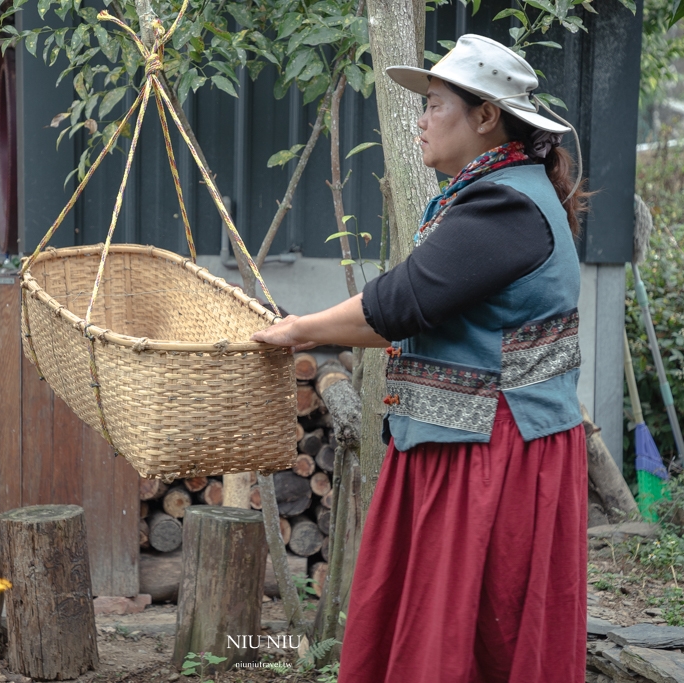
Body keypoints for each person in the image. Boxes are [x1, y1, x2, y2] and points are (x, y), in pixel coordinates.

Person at [251, 34, 590, 682]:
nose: (422, 119)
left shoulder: (505, 206)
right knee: (440, 635)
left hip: (494, 462)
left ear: (486, 116)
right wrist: (310, 330)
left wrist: (299, 329)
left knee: (465, 637)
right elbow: (416, 312)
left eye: (435, 104)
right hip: (466, 447)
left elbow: (400, 302)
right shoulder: (495, 193)